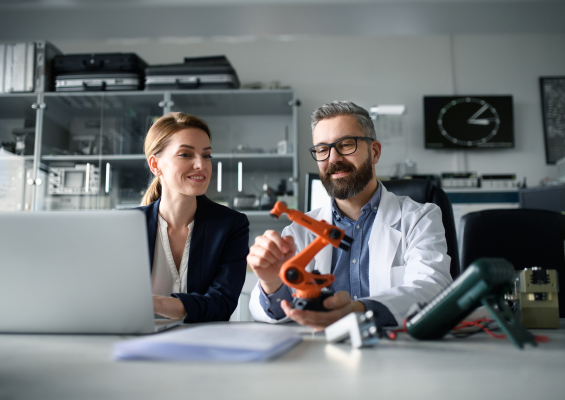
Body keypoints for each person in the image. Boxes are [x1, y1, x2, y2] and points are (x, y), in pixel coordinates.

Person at [248, 101, 452, 330]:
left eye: (346, 145)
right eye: (323, 150)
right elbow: (269, 312)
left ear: (374, 152)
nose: (333, 159)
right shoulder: (298, 232)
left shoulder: (419, 219)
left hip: (396, 353)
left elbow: (432, 288)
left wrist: (357, 311)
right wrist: (271, 283)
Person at [138, 112, 249, 322]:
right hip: (135, 342)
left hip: (203, 346)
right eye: (186, 154)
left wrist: (155, 303)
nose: (201, 164)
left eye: (206, 155)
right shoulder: (128, 226)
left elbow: (222, 304)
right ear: (155, 165)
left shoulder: (231, 225)